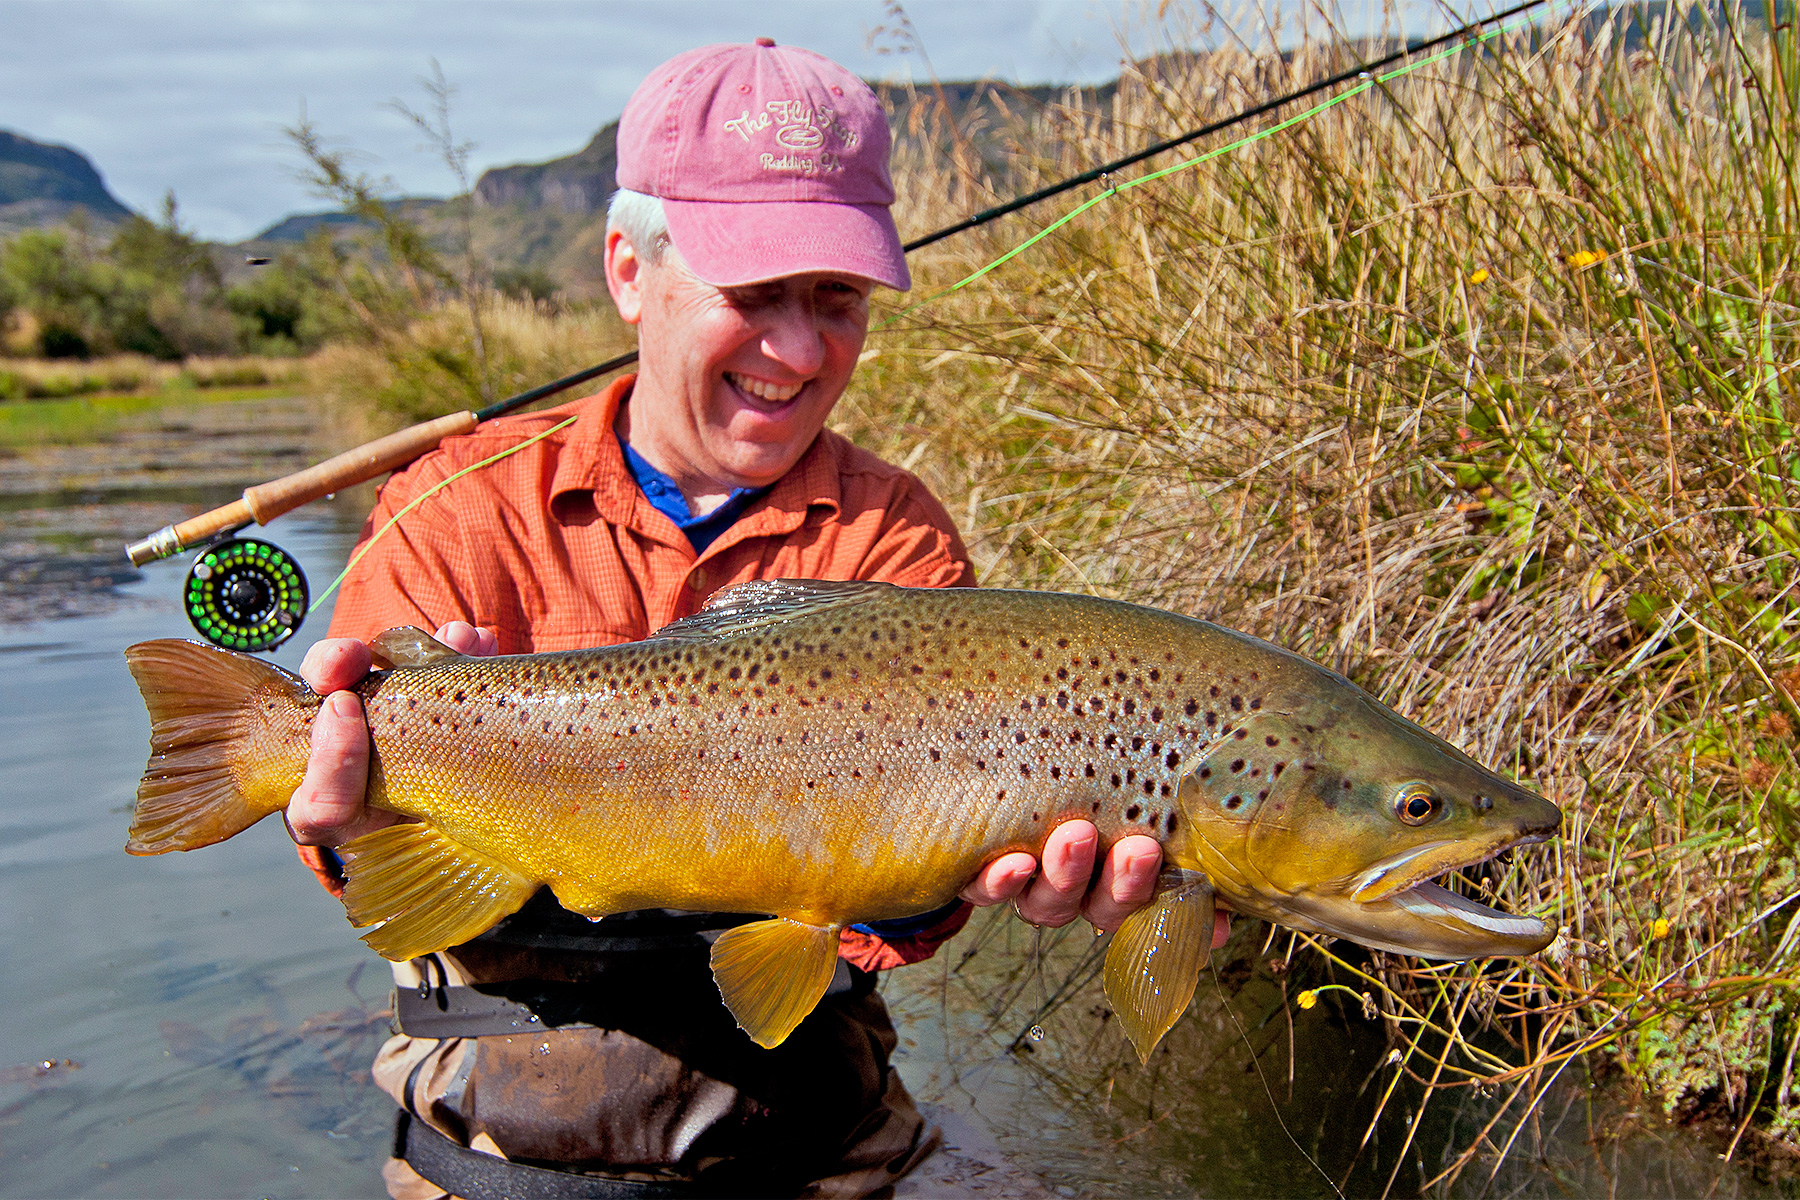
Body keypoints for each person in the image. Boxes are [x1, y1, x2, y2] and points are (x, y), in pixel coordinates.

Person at [284, 39, 1224, 1199]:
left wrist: (959, 882)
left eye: (836, 299)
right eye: (752, 295)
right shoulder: (457, 506)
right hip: (496, 1135)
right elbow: (367, 871)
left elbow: (892, 932)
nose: (798, 350)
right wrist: (343, 813)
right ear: (630, 270)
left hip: (812, 1128)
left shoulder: (895, 534)